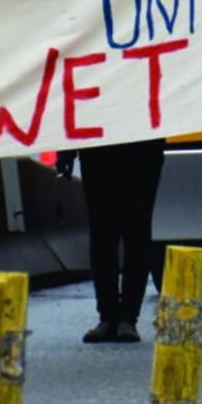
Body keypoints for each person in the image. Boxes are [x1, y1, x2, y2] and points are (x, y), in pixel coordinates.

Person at [77, 138, 167, 343]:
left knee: (136, 231)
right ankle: (109, 316)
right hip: (98, 146)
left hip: (141, 146)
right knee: (102, 233)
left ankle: (127, 316)